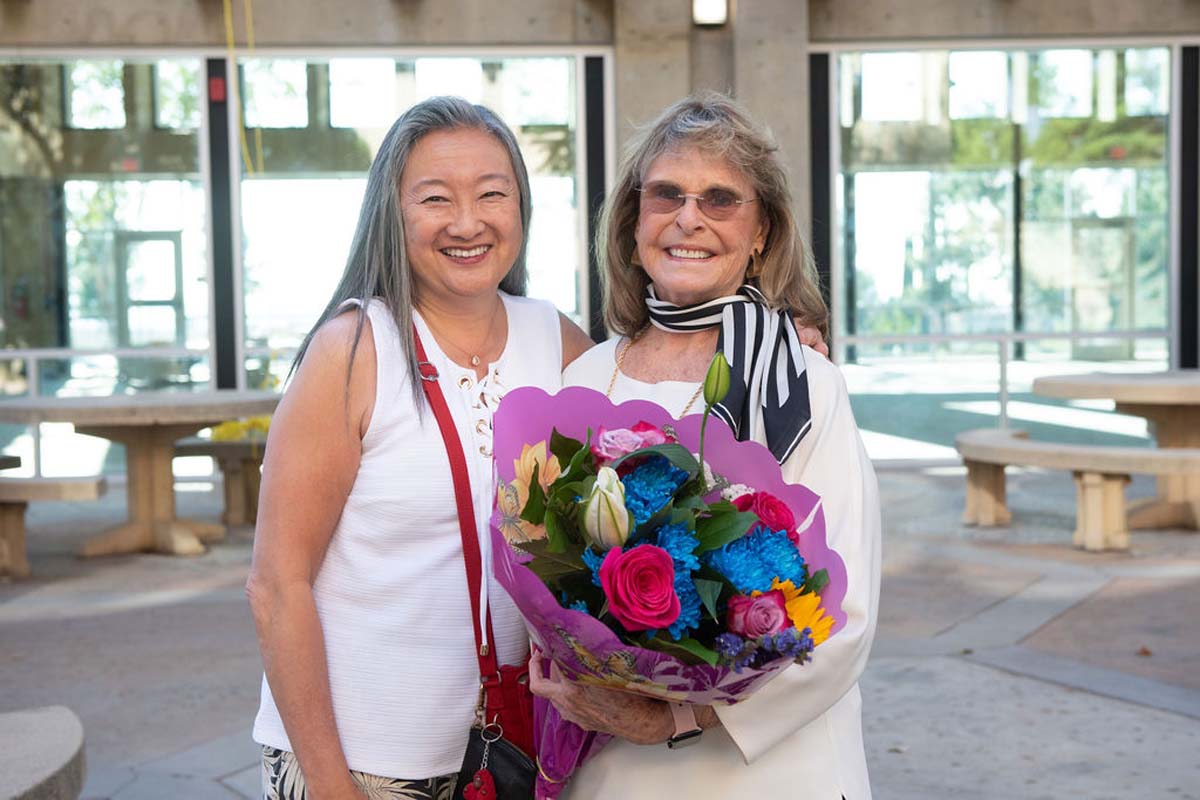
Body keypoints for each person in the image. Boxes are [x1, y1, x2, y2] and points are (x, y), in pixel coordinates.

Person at [245, 96, 593, 800]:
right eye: (436, 199)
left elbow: (656, 420)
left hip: (511, 753)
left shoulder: (554, 337)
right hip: (363, 763)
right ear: (392, 215)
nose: (468, 223)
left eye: (492, 195)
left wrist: (778, 334)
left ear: (520, 208)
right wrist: (327, 781)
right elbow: (277, 585)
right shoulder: (352, 351)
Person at [537, 92, 881, 798]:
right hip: (616, 760)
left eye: (720, 199)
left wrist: (678, 718)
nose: (688, 217)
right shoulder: (586, 376)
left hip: (774, 767)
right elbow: (540, 560)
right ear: (634, 222)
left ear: (761, 233)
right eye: (666, 195)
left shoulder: (801, 383)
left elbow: (845, 620)